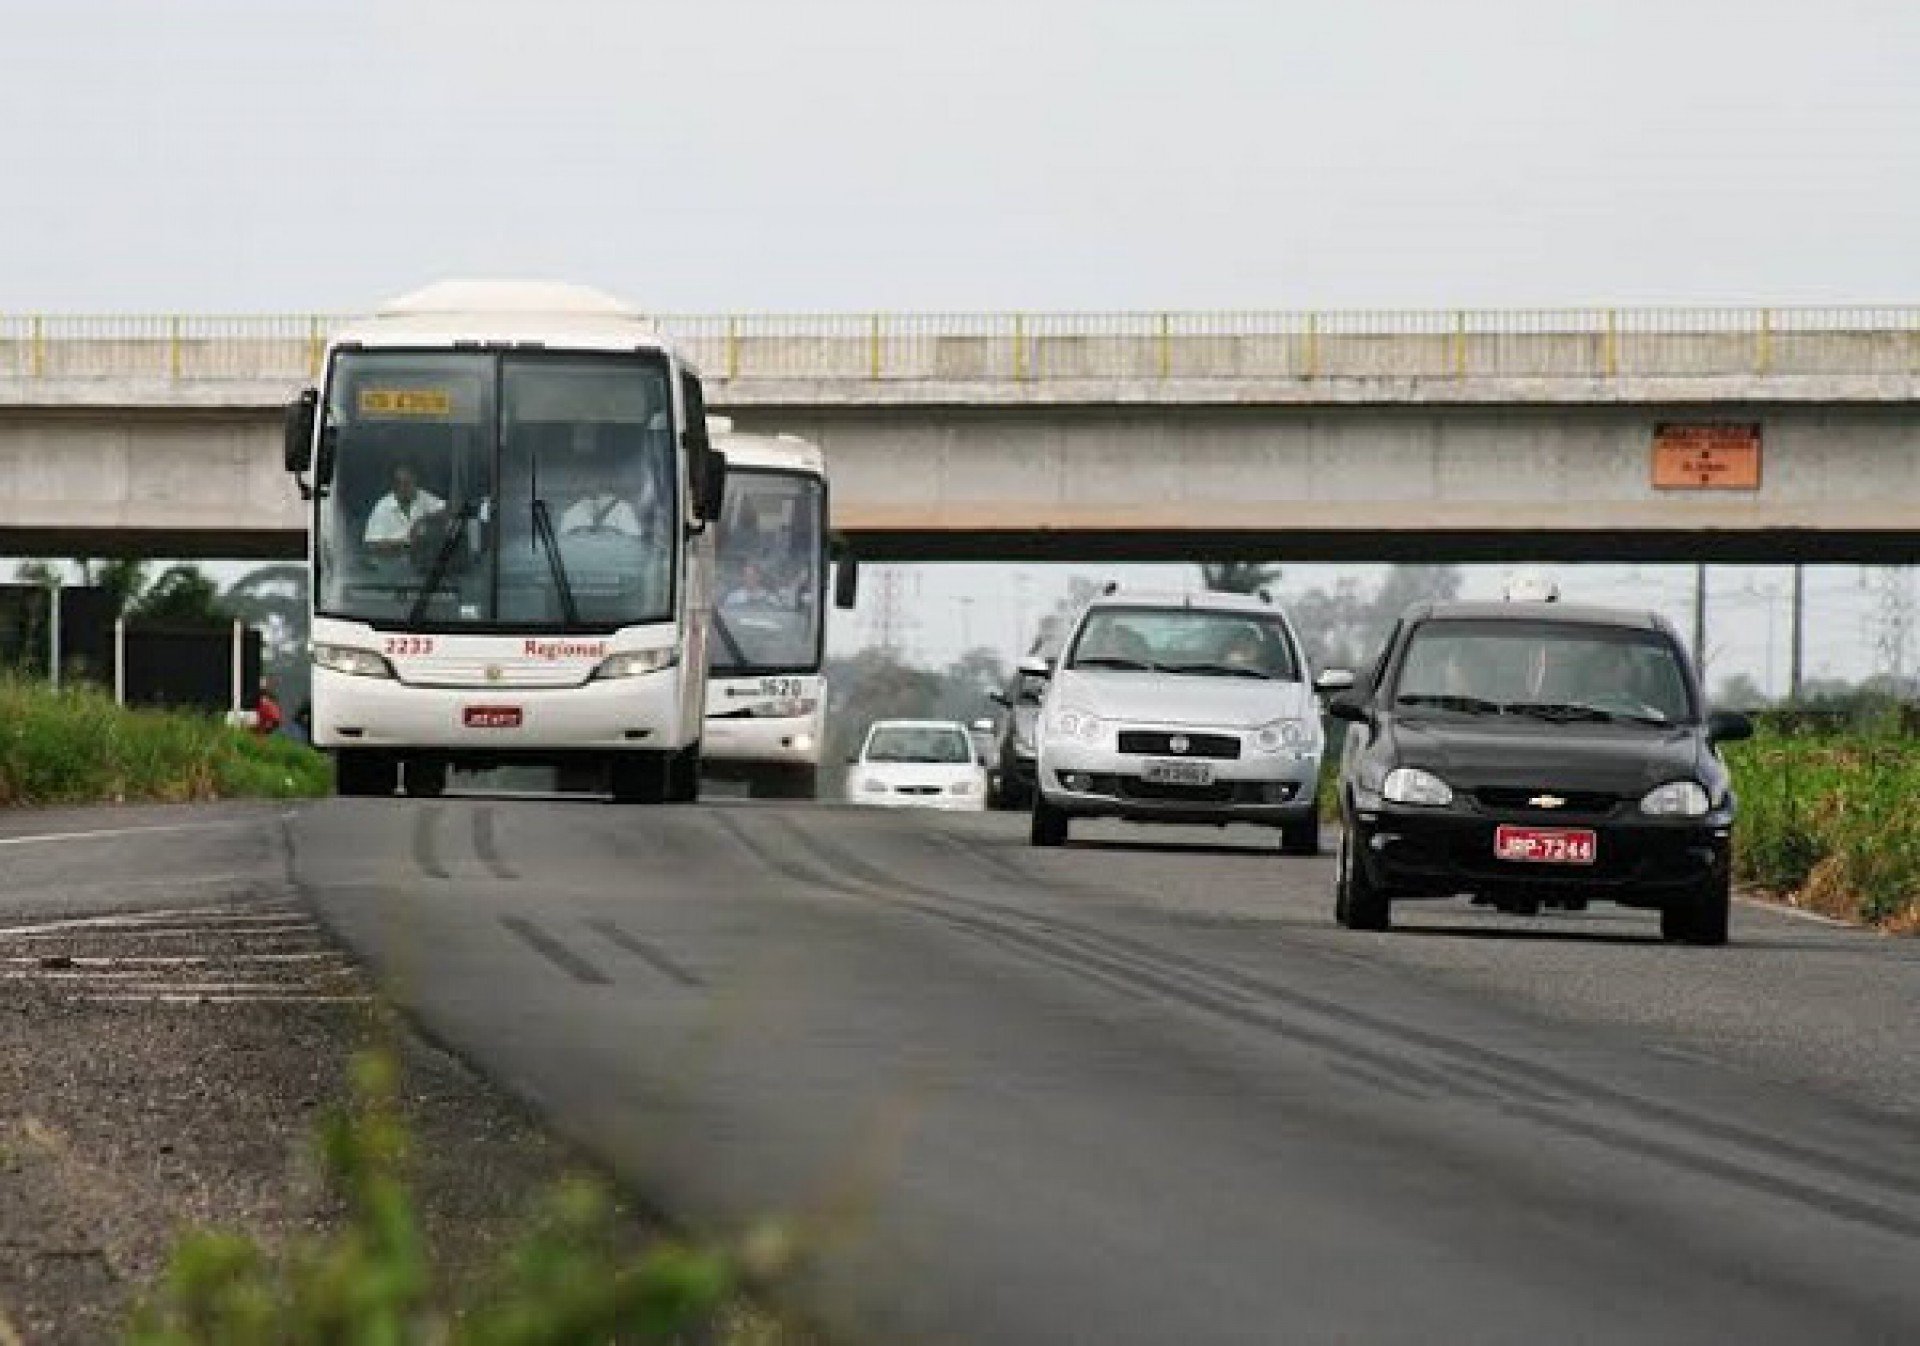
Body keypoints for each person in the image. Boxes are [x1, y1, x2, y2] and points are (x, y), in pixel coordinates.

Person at [363, 465, 445, 555]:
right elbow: (371, 545)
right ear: (393, 485)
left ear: (415, 482)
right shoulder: (382, 508)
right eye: (398, 483)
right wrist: (406, 545)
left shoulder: (424, 497)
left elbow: (451, 509)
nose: (403, 488)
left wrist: (424, 520)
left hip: (427, 561)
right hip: (393, 563)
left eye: (407, 483)